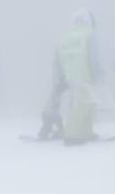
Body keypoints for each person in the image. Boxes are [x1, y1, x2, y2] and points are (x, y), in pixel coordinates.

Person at [39, 10, 98, 144]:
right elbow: (94, 59)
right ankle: (73, 133)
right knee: (85, 103)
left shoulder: (65, 36)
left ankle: (76, 131)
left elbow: (57, 59)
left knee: (66, 103)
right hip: (84, 75)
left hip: (67, 76)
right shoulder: (89, 34)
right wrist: (98, 76)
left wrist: (58, 77)